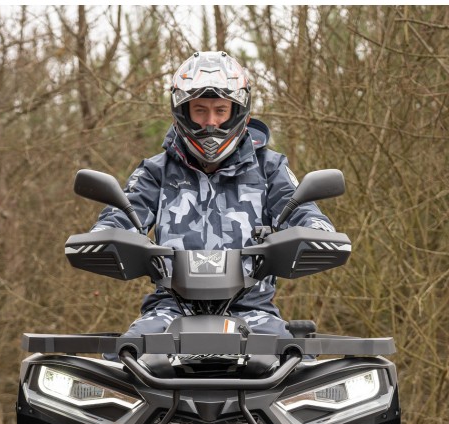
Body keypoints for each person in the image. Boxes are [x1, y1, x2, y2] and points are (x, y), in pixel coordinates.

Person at [91, 50, 334, 341]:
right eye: (200, 110)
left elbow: (300, 208)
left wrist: (315, 229)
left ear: (238, 111)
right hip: (170, 309)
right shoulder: (156, 171)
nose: (211, 123)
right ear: (183, 111)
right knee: (128, 352)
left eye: (220, 110)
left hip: (252, 310)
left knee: (291, 358)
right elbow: (123, 214)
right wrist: (105, 234)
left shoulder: (269, 168)